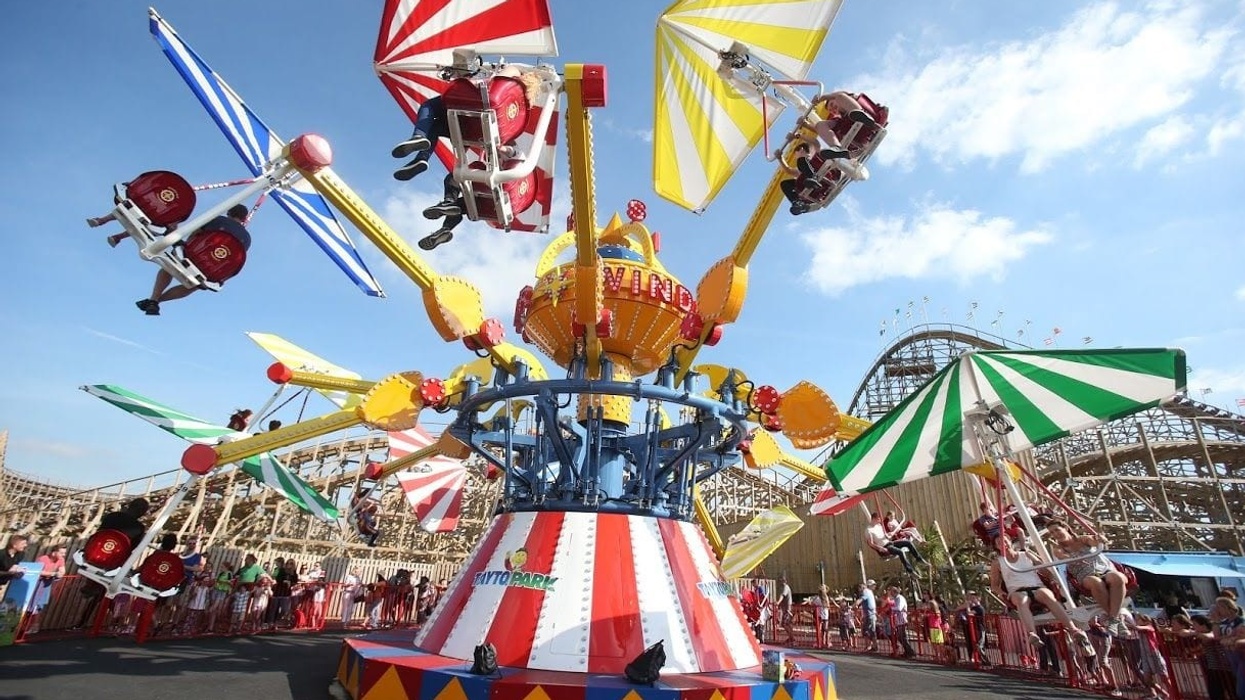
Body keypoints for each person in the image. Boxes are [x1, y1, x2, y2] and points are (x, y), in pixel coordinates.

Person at [390, 65, 544, 181]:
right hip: (476, 132)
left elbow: (494, 83)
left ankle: (418, 137)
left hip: (475, 107)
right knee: (436, 127)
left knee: (429, 106)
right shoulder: (522, 108)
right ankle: (420, 159)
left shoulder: (514, 73)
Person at [136, 204, 252, 316]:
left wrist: (187, 247)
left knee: (169, 267)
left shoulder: (217, 219)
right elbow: (233, 260)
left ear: (229, 212)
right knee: (193, 285)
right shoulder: (247, 239)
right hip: (210, 269)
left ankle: (154, 299)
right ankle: (156, 302)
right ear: (244, 218)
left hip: (194, 255)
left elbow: (195, 233)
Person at [988, 535, 1093, 655]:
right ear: (996, 547)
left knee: (1048, 596)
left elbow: (1041, 567)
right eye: (999, 542)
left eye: (1005, 540)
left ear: (1010, 541)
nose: (1003, 543)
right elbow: (994, 585)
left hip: (1036, 586)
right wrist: (1002, 593)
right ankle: (1032, 633)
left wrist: (1052, 578)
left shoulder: (1026, 554)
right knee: (1022, 601)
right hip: (1017, 589)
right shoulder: (997, 563)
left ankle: (1073, 629)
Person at [1045, 519, 1128, 635]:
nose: (1055, 534)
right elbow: (1062, 556)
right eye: (1052, 533)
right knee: (1096, 582)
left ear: (1066, 528)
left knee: (1117, 578)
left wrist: (1099, 540)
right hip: (1084, 575)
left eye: (1057, 530)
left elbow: (1093, 541)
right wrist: (1071, 558)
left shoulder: (1082, 539)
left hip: (1103, 569)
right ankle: (1116, 620)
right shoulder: (1058, 548)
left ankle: (1113, 619)